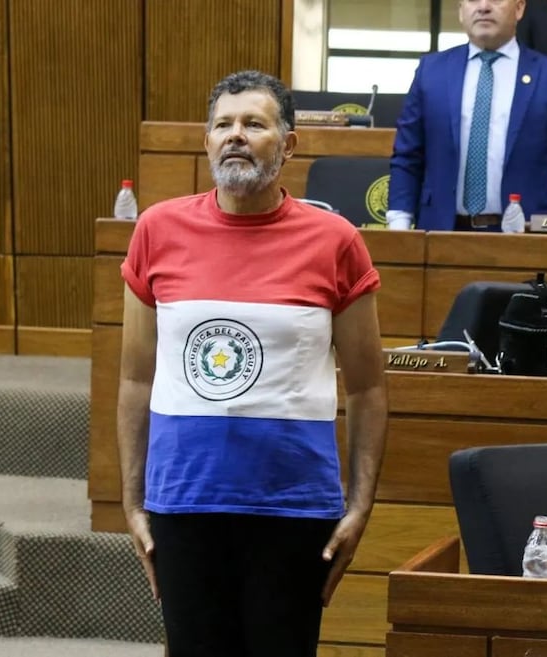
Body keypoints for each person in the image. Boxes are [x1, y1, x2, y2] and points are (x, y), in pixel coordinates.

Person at [117, 69, 388, 657]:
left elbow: (367, 389)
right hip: (184, 501)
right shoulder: (157, 231)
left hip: (291, 507)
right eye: (223, 124)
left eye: (254, 124)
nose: (235, 135)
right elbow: (136, 377)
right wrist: (132, 501)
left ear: (288, 145)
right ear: (206, 140)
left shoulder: (335, 240)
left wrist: (360, 506)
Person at [386, 0, 547, 232]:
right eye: (472, 0)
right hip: (440, 234)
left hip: (524, 239)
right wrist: (400, 222)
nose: (483, 7)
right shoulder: (431, 72)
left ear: (519, 8)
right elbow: (407, 155)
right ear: (461, 11)